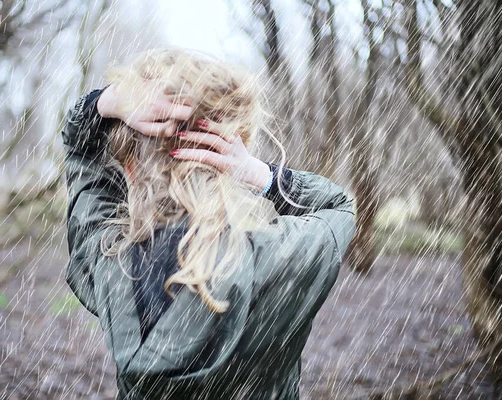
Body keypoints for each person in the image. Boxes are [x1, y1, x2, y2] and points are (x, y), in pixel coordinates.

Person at [61, 48, 356, 400]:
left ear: (130, 167)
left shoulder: (108, 262)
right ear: (227, 155)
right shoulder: (279, 257)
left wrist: (105, 103)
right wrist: (259, 175)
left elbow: (82, 158)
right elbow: (338, 207)